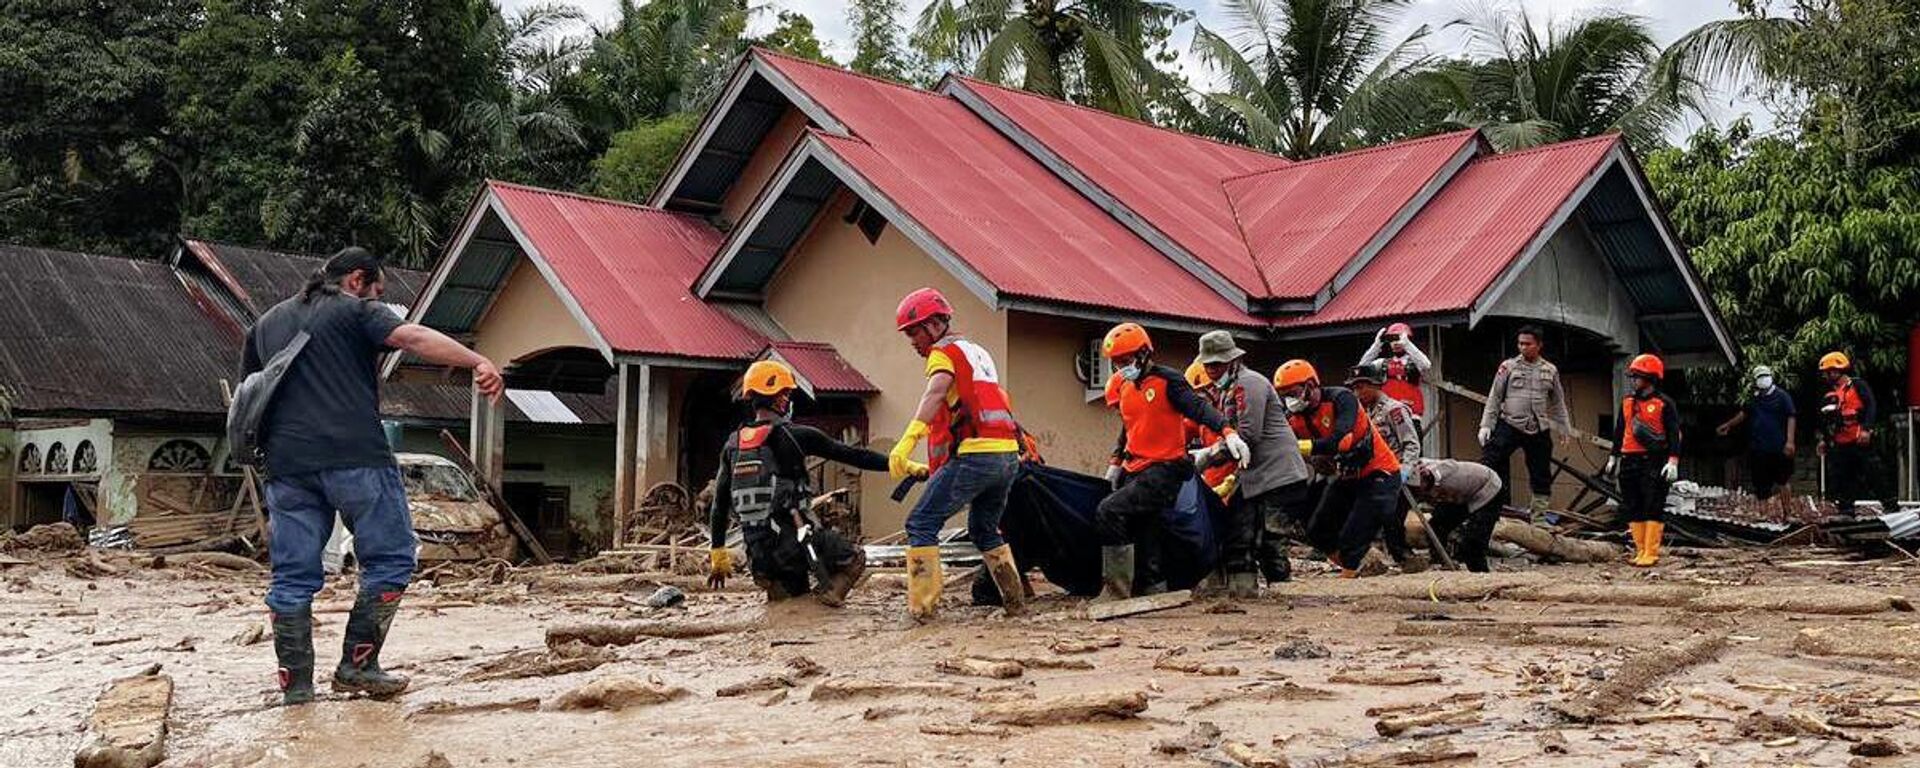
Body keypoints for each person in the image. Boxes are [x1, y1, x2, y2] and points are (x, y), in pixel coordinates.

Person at [244, 247, 504, 706]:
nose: (378, 298)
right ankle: (357, 666)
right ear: (358, 280)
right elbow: (414, 338)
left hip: (287, 466)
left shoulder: (266, 324)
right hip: (355, 455)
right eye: (378, 290)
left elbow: (251, 392)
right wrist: (477, 361)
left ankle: (297, 689)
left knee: (291, 577)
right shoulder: (354, 309)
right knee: (391, 558)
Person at [708, 360, 908, 606]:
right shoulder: (797, 435)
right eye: (787, 394)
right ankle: (824, 603)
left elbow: (719, 504)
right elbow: (855, 455)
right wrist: (899, 464)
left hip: (758, 557)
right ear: (778, 398)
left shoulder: (733, 444)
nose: (789, 400)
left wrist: (718, 553)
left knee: (786, 609)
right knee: (853, 558)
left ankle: (804, 615)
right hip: (796, 545)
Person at [885, 288, 1028, 622]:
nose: (912, 341)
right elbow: (979, 405)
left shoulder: (942, 353)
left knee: (920, 523)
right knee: (984, 530)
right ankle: (1016, 605)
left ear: (936, 324)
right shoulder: (977, 352)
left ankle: (923, 613)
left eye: (914, 331)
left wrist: (907, 440)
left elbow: (935, 394)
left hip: (976, 457)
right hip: (1006, 458)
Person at [1098, 323, 1248, 600]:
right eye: (1117, 363)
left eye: (1126, 361)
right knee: (1146, 526)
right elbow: (1128, 428)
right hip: (1136, 468)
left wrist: (1228, 432)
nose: (1121, 367)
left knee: (1109, 511)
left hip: (1165, 469)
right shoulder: (1125, 387)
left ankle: (1116, 591)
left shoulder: (1168, 380)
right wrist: (1115, 463)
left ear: (1144, 353)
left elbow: (1199, 408)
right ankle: (1153, 585)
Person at [1194, 331, 1312, 594]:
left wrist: (1209, 456)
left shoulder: (1250, 384)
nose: (1212, 370)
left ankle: (1282, 593)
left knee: (1269, 538)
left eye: (1217, 364)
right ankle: (1243, 592)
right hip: (1254, 478)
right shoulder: (1228, 390)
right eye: (1208, 365)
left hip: (1279, 476)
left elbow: (1248, 435)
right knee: (1238, 532)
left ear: (1233, 361)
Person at [1275, 359, 1402, 577]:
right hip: (1346, 476)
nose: (1290, 400)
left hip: (1379, 473)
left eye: (1293, 392)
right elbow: (1280, 445)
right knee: (1317, 532)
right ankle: (1358, 568)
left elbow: (1341, 438)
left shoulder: (1341, 399)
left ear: (1310, 386)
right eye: (1285, 394)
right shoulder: (1294, 419)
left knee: (1355, 534)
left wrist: (1302, 447)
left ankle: (1350, 573)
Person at [1479, 325, 1572, 519]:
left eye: (1528, 344)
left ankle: (1539, 516)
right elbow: (1494, 396)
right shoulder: (1508, 366)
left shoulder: (1550, 370)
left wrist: (1564, 427)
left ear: (1538, 345)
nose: (1523, 347)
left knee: (1541, 472)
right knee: (1490, 460)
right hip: (1510, 424)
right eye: (1520, 343)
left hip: (1538, 427)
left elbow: (1558, 401)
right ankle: (1485, 509)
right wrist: (1486, 424)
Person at [1605, 354, 1680, 568]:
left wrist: (1673, 461)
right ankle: (1639, 550)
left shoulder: (1664, 403)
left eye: (1637, 376)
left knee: (1653, 504)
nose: (1633, 380)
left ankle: (1651, 551)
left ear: (1650, 377)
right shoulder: (1627, 402)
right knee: (1632, 504)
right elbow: (1620, 430)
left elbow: (1674, 434)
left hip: (1654, 461)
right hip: (1629, 459)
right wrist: (1613, 457)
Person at [1348, 361, 1424, 571]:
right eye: (1354, 387)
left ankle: (1407, 560)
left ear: (1375, 385)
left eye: (1361, 386)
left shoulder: (1395, 410)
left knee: (1391, 519)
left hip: (1399, 473)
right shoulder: (1363, 413)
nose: (1357, 392)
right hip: (1376, 475)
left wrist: (1405, 470)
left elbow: (1411, 443)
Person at [1815, 352, 1891, 514]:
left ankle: (1890, 505)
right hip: (1840, 442)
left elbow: (1870, 406)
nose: (1826, 376)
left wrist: (1866, 429)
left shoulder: (1857, 385)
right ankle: (1846, 511)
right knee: (1842, 478)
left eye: (1828, 372)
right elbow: (1824, 420)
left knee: (1874, 473)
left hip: (1859, 438)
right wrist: (1823, 439)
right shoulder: (1829, 395)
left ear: (1837, 371)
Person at [1407, 458, 1504, 572]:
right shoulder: (1417, 469)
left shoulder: (1444, 476)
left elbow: (1449, 465)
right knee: (1436, 525)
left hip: (1488, 489)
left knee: (1473, 542)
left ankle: (1480, 576)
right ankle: (1441, 562)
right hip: (1460, 493)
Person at [1716, 365, 1796, 499]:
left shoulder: (1782, 396)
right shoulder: (1755, 398)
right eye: (1760, 377)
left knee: (1783, 481)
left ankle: (1787, 514)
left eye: (1765, 376)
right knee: (1761, 486)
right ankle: (1764, 515)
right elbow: (1744, 413)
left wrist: (1790, 441)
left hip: (1779, 447)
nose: (1763, 379)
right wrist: (1728, 425)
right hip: (1759, 448)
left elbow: (1791, 416)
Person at [1357, 322, 1431, 424]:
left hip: (1411, 415)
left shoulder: (1415, 363)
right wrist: (1376, 345)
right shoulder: (1383, 363)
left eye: (1398, 339)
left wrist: (1407, 344)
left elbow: (1426, 365)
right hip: (1387, 415)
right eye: (1392, 340)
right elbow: (1362, 367)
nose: (1396, 343)